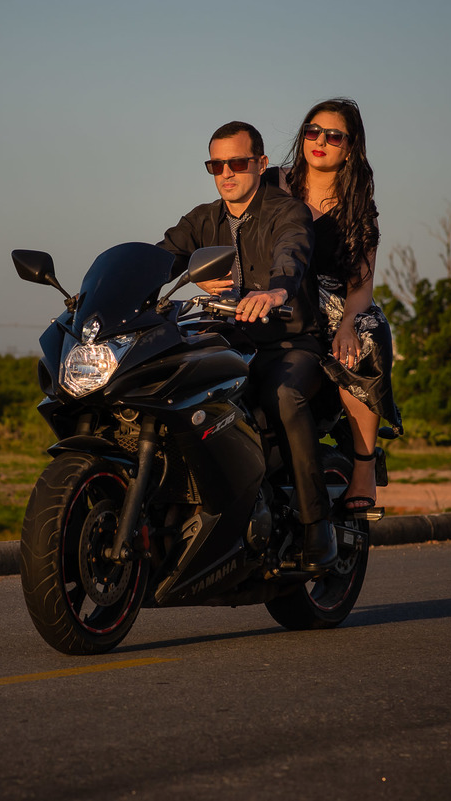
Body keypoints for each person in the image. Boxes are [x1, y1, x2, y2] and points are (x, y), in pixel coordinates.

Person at [158, 120, 336, 571]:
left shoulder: (285, 212)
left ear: (260, 164)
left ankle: (318, 525)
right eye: (215, 165)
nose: (226, 173)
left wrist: (275, 292)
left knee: (284, 396)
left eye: (237, 162)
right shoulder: (201, 219)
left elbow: (291, 255)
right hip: (226, 343)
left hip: (289, 343)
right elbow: (159, 256)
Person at [269, 98, 403, 513]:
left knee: (363, 341)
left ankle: (363, 468)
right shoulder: (271, 182)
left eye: (333, 135)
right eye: (312, 131)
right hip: (275, 292)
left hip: (334, 303)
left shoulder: (359, 208)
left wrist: (347, 324)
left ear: (350, 147)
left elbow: (361, 287)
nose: (320, 141)